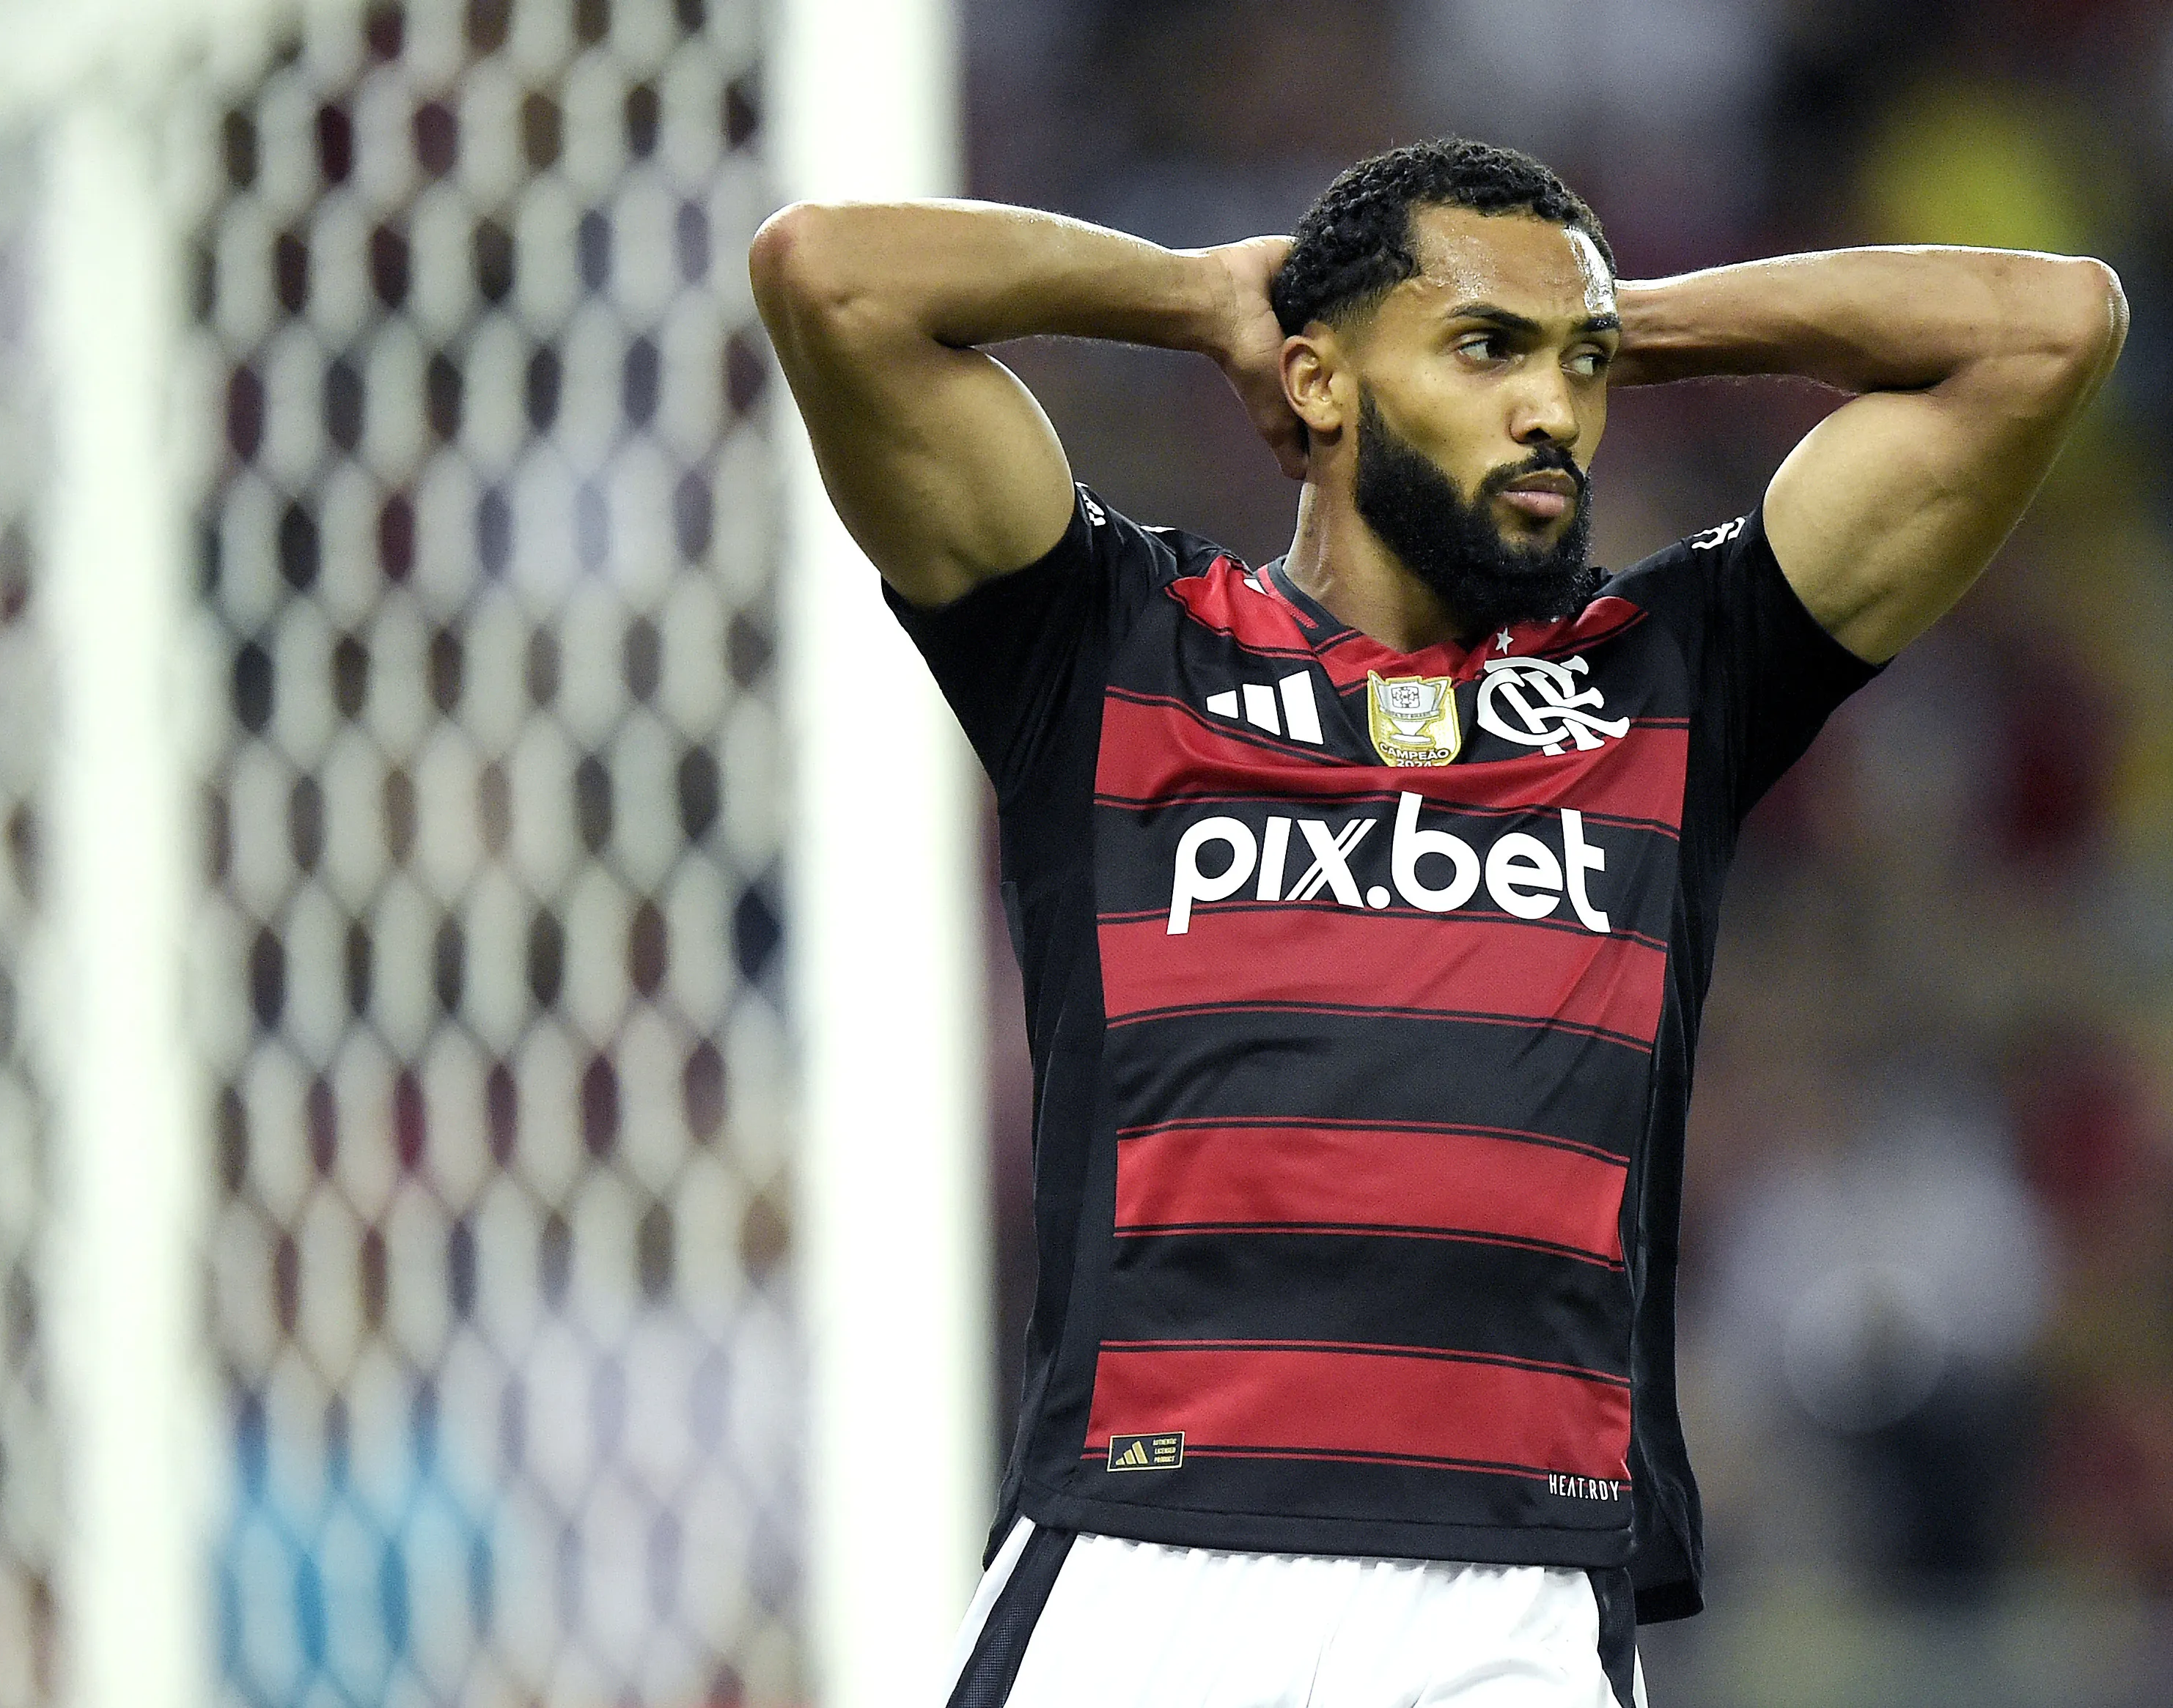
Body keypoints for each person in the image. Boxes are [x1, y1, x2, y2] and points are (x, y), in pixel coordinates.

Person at [749, 138, 2124, 1708]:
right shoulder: (1113, 645)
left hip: (1515, 1596)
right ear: (1317, 383)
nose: (1552, 407)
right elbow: (832, 276)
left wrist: (1621, 315)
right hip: (1151, 1563)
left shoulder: (1665, 678)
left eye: (1578, 366)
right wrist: (1202, 295)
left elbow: (2047, 329)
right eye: (1483, 349)